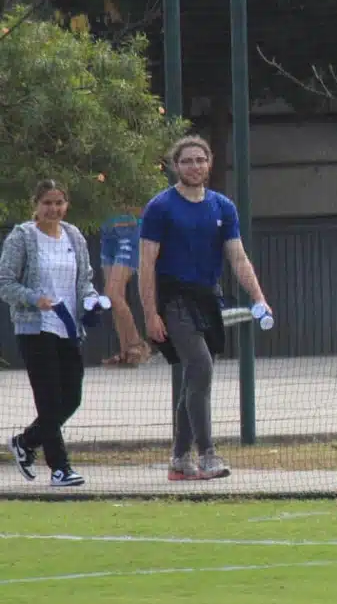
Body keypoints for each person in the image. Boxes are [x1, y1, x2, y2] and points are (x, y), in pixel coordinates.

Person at [138, 136, 272, 481]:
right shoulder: (160, 207)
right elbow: (147, 263)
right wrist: (151, 313)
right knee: (200, 365)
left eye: (200, 160)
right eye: (187, 161)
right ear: (175, 166)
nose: (194, 166)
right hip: (173, 298)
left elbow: (238, 257)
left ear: (209, 163)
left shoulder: (223, 207)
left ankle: (180, 459)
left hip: (207, 297)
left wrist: (259, 297)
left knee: (194, 378)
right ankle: (207, 453)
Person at [2, 181, 96, 487]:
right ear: (36, 204)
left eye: (59, 203)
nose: (53, 209)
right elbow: (5, 282)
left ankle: (26, 441)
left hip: (68, 328)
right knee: (48, 398)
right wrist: (34, 298)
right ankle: (60, 468)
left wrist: (92, 299)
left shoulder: (74, 236)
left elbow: (85, 280)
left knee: (71, 397)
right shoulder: (23, 236)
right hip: (35, 327)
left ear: (66, 205)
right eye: (47, 203)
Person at [99, 198, 150, 367]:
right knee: (113, 297)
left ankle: (137, 344)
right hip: (107, 233)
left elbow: (145, 204)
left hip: (129, 231)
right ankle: (125, 351)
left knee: (112, 294)